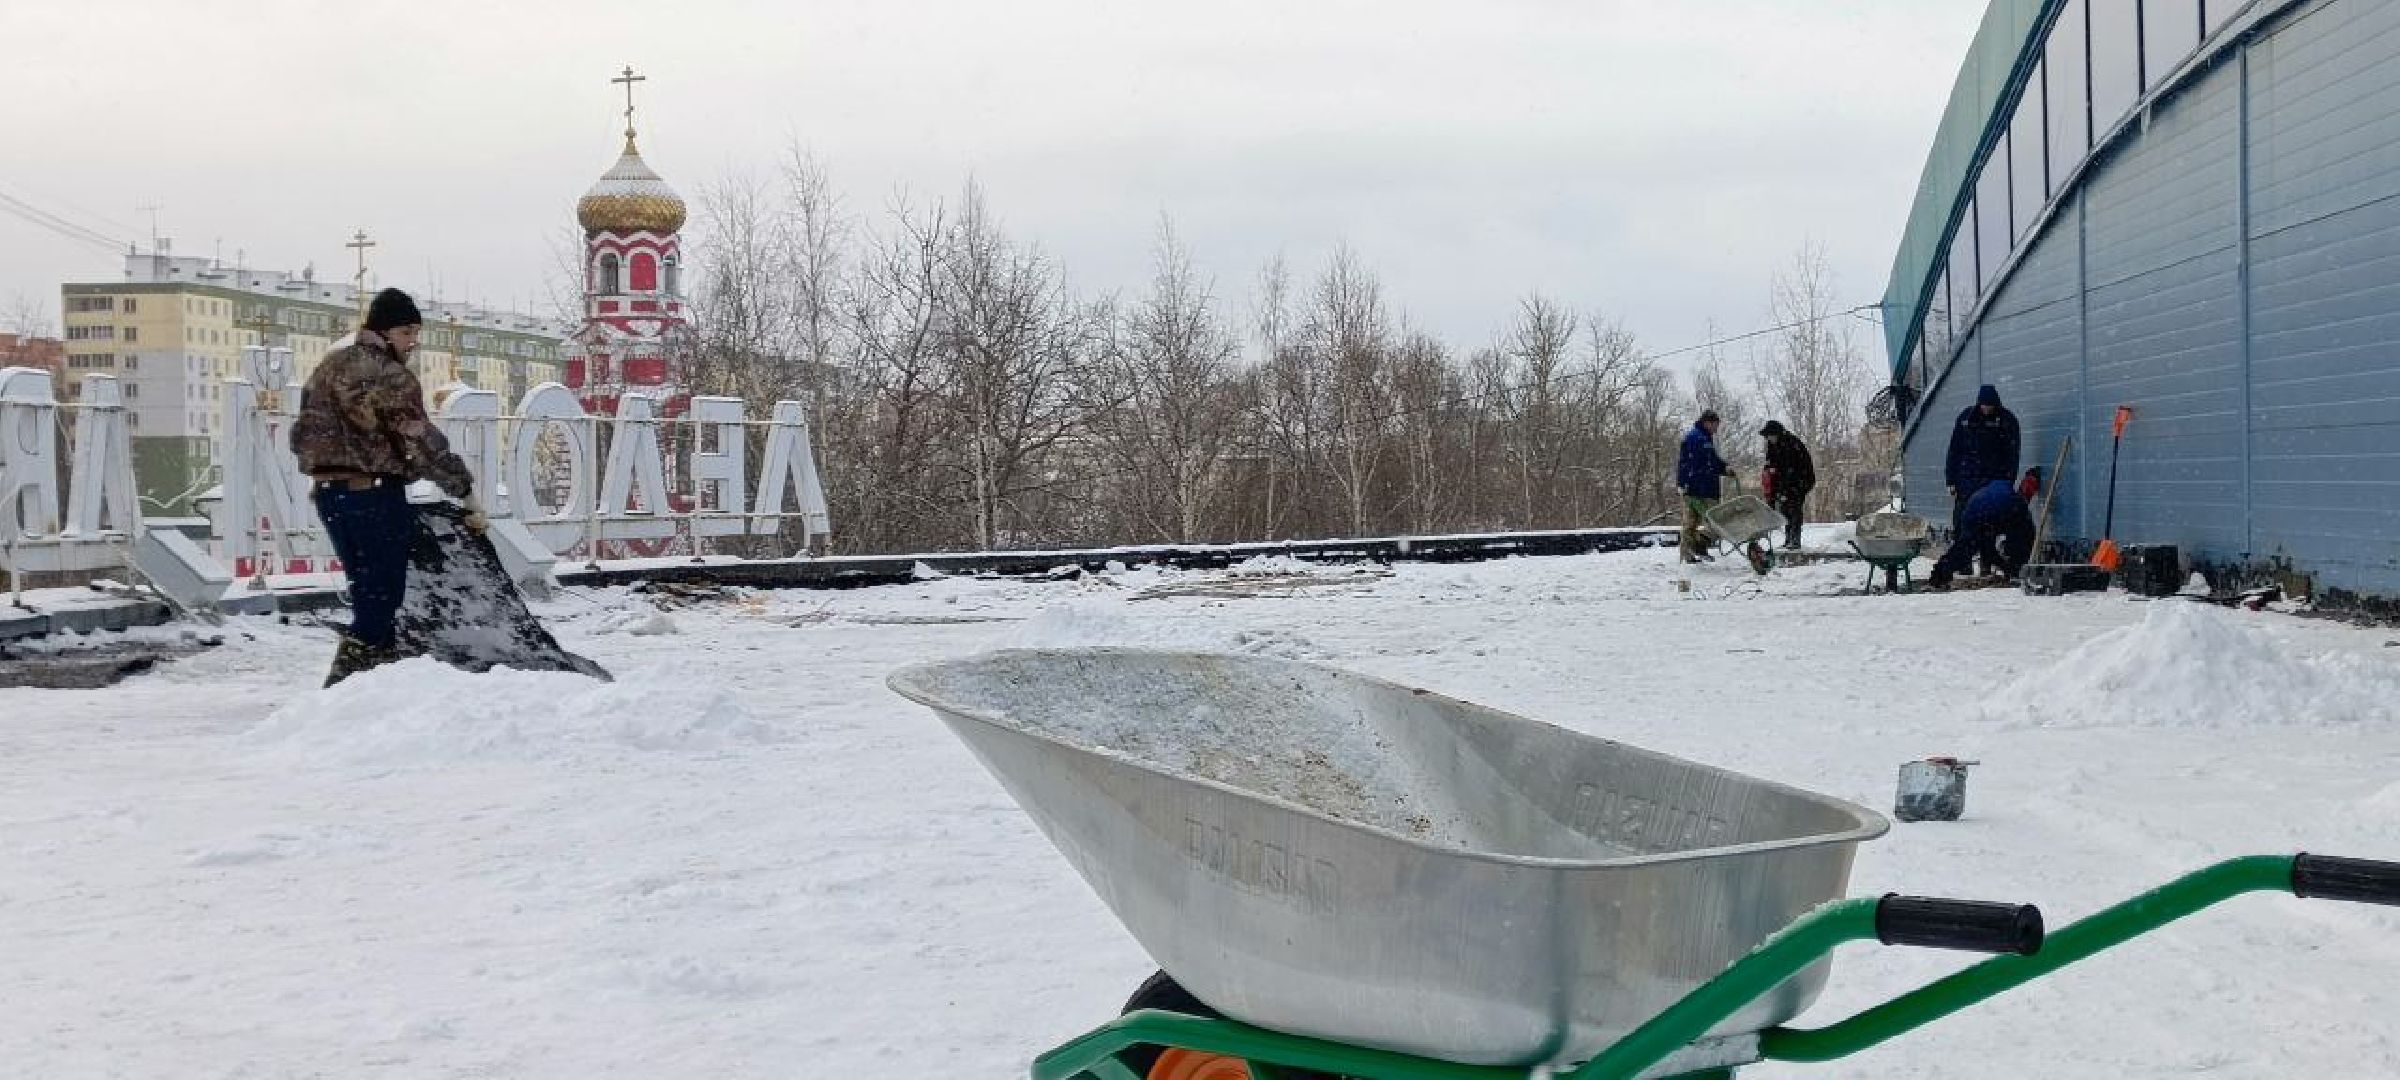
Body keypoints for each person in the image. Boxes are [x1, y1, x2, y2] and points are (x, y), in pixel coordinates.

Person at [289, 288, 476, 685]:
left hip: (329, 496)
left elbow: (300, 435)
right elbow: (420, 439)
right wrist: (463, 488)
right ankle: (344, 688)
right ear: (387, 330)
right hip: (373, 494)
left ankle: (377, 686)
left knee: (366, 592)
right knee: (382, 596)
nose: (413, 342)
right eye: (408, 332)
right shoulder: (388, 375)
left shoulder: (327, 367)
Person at [1927, 477, 2035, 590]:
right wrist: (2012, 563)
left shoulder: (1983, 492)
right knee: (2021, 537)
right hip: (1997, 512)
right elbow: (2025, 533)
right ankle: (2015, 569)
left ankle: (1940, 573)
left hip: (1972, 513)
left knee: (1964, 549)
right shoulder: (2015, 500)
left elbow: (1987, 548)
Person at [1675, 409, 1734, 564]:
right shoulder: (1696, 439)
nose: (1716, 428)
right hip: (1701, 489)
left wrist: (1724, 468)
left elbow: (1711, 462)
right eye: (1715, 425)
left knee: (1691, 522)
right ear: (1707, 422)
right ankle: (1697, 546)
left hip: (1696, 487)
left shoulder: (1703, 438)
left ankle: (1688, 553)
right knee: (1715, 521)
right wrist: (1685, 483)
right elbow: (1691, 464)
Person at [1759, 420, 1815, 550]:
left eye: (1770, 435)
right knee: (1785, 509)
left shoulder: (1792, 444)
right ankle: (1788, 538)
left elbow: (1792, 469)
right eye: (1767, 436)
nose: (1769, 438)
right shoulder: (1773, 445)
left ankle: (1795, 539)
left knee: (1794, 508)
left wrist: (1784, 488)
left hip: (1800, 480)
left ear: (1777, 434)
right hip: (1784, 481)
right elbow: (1771, 465)